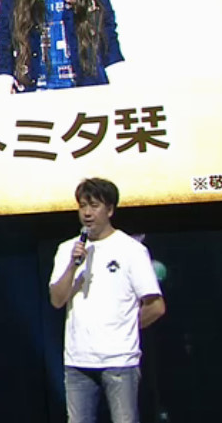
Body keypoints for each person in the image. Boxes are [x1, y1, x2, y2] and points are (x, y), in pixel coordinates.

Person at [49, 178, 166, 422]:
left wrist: (125, 329)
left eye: (94, 206)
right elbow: (57, 301)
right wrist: (73, 266)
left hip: (120, 361)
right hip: (77, 361)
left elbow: (156, 306)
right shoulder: (67, 249)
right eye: (82, 206)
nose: (87, 213)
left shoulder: (131, 249)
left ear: (110, 209)